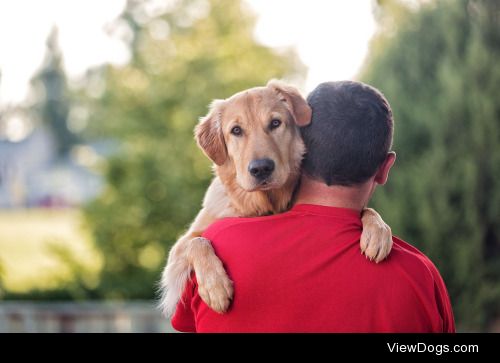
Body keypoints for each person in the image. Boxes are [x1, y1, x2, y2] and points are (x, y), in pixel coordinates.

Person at [171, 81, 455, 332]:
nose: (258, 157)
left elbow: (185, 321)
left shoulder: (222, 238)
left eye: (274, 124)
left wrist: (371, 218)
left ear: (303, 142)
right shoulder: (420, 274)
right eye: (237, 131)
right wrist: (198, 248)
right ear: (385, 169)